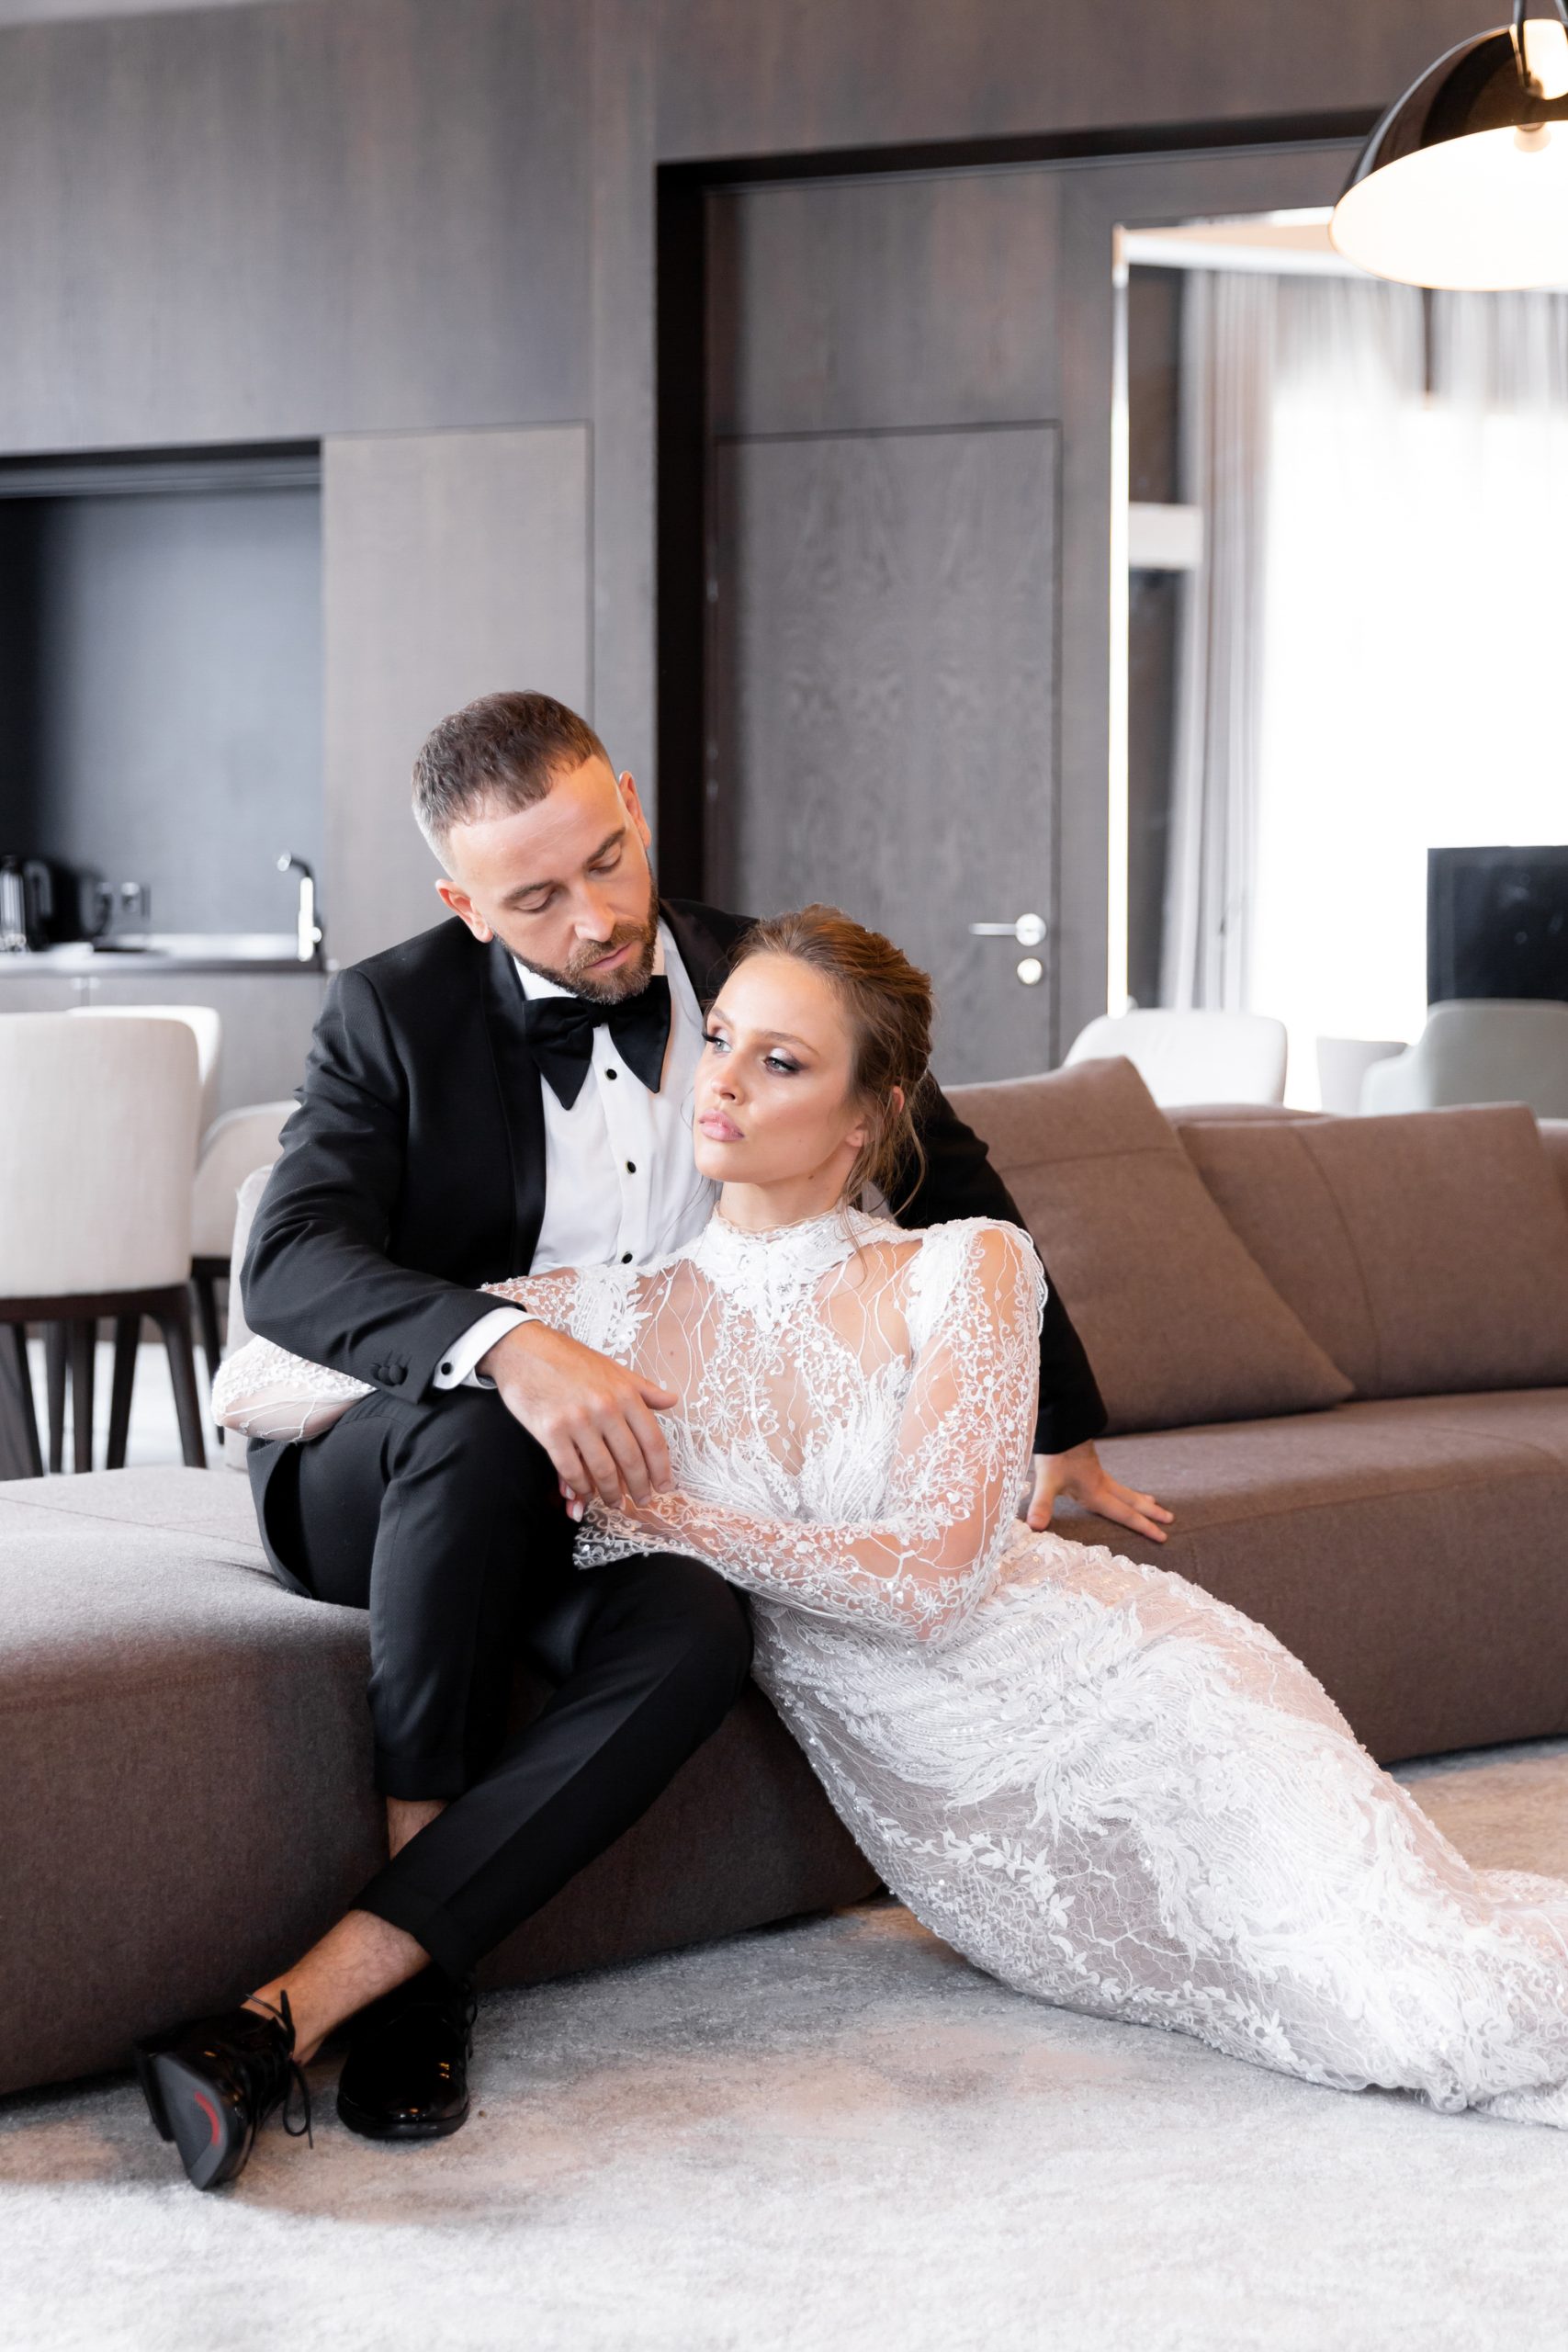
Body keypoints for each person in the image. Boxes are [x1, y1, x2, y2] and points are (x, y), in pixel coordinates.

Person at [217, 904, 1568, 2152]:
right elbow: (255, 1379)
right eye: (720, 1040)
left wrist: (663, 1516)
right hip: (956, 1801)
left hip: (1143, 1697)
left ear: (869, 1118)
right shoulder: (599, 1316)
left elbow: (933, 1580)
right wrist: (503, 1346)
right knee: (1346, 1997)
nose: (723, 1084)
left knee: (1432, 1998)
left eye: (783, 1064)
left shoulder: (965, 1263)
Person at [132, 693, 1159, 2191]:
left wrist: (1061, 1428)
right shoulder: (388, 1013)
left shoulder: (765, 980)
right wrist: (509, 1348)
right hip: (387, 1466)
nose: (598, 918)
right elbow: (290, 1266)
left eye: (609, 858)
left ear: (630, 798)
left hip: (623, 1491)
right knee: (482, 1433)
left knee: (695, 1627)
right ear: (463, 906)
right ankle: (424, 1988)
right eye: (537, 899)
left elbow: (953, 1187)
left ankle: (335, 1987)